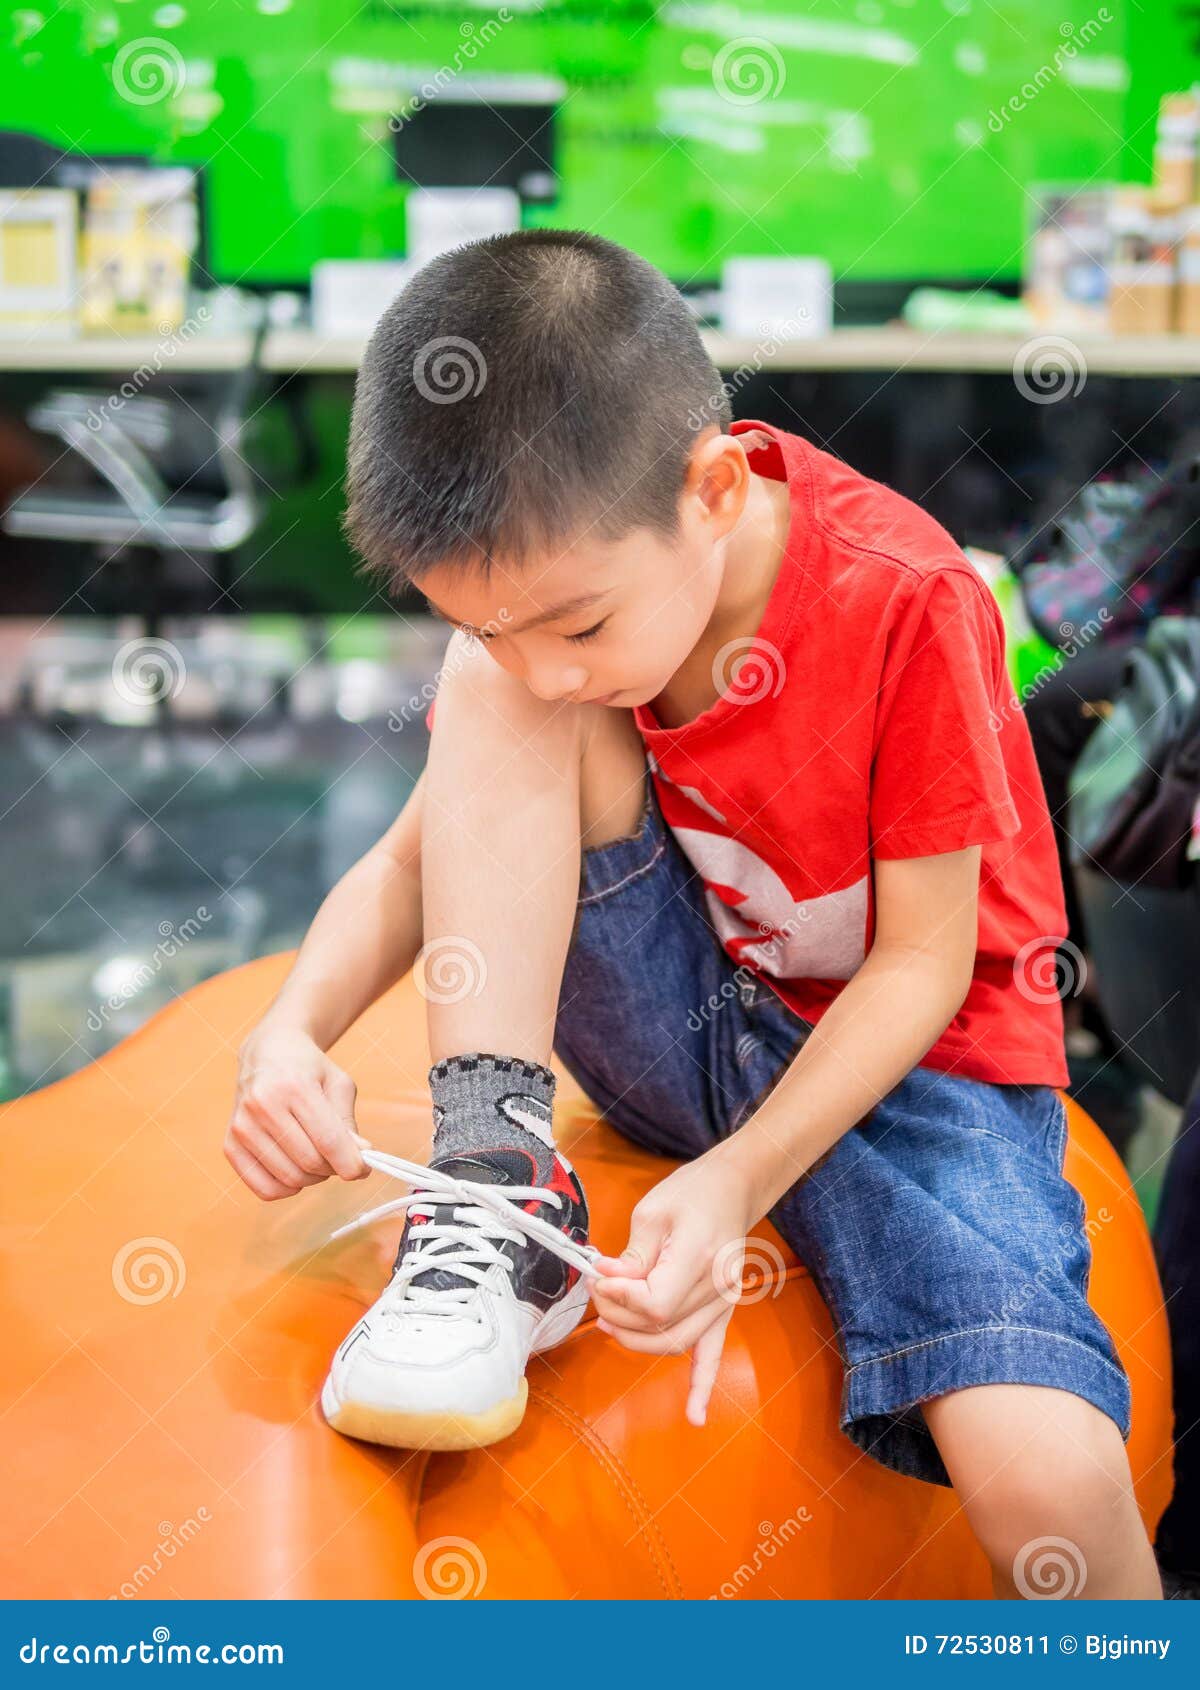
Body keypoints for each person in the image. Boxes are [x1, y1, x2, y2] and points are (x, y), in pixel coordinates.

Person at [224, 230, 1160, 1599]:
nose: (546, 669)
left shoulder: (907, 597)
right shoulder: (542, 639)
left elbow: (923, 964)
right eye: (490, 626)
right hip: (683, 1009)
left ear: (715, 489)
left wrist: (739, 1179)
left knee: (1050, 1476)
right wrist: (291, 1031)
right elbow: (418, 862)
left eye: (579, 625)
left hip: (911, 1080)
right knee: (497, 703)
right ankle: (496, 1180)